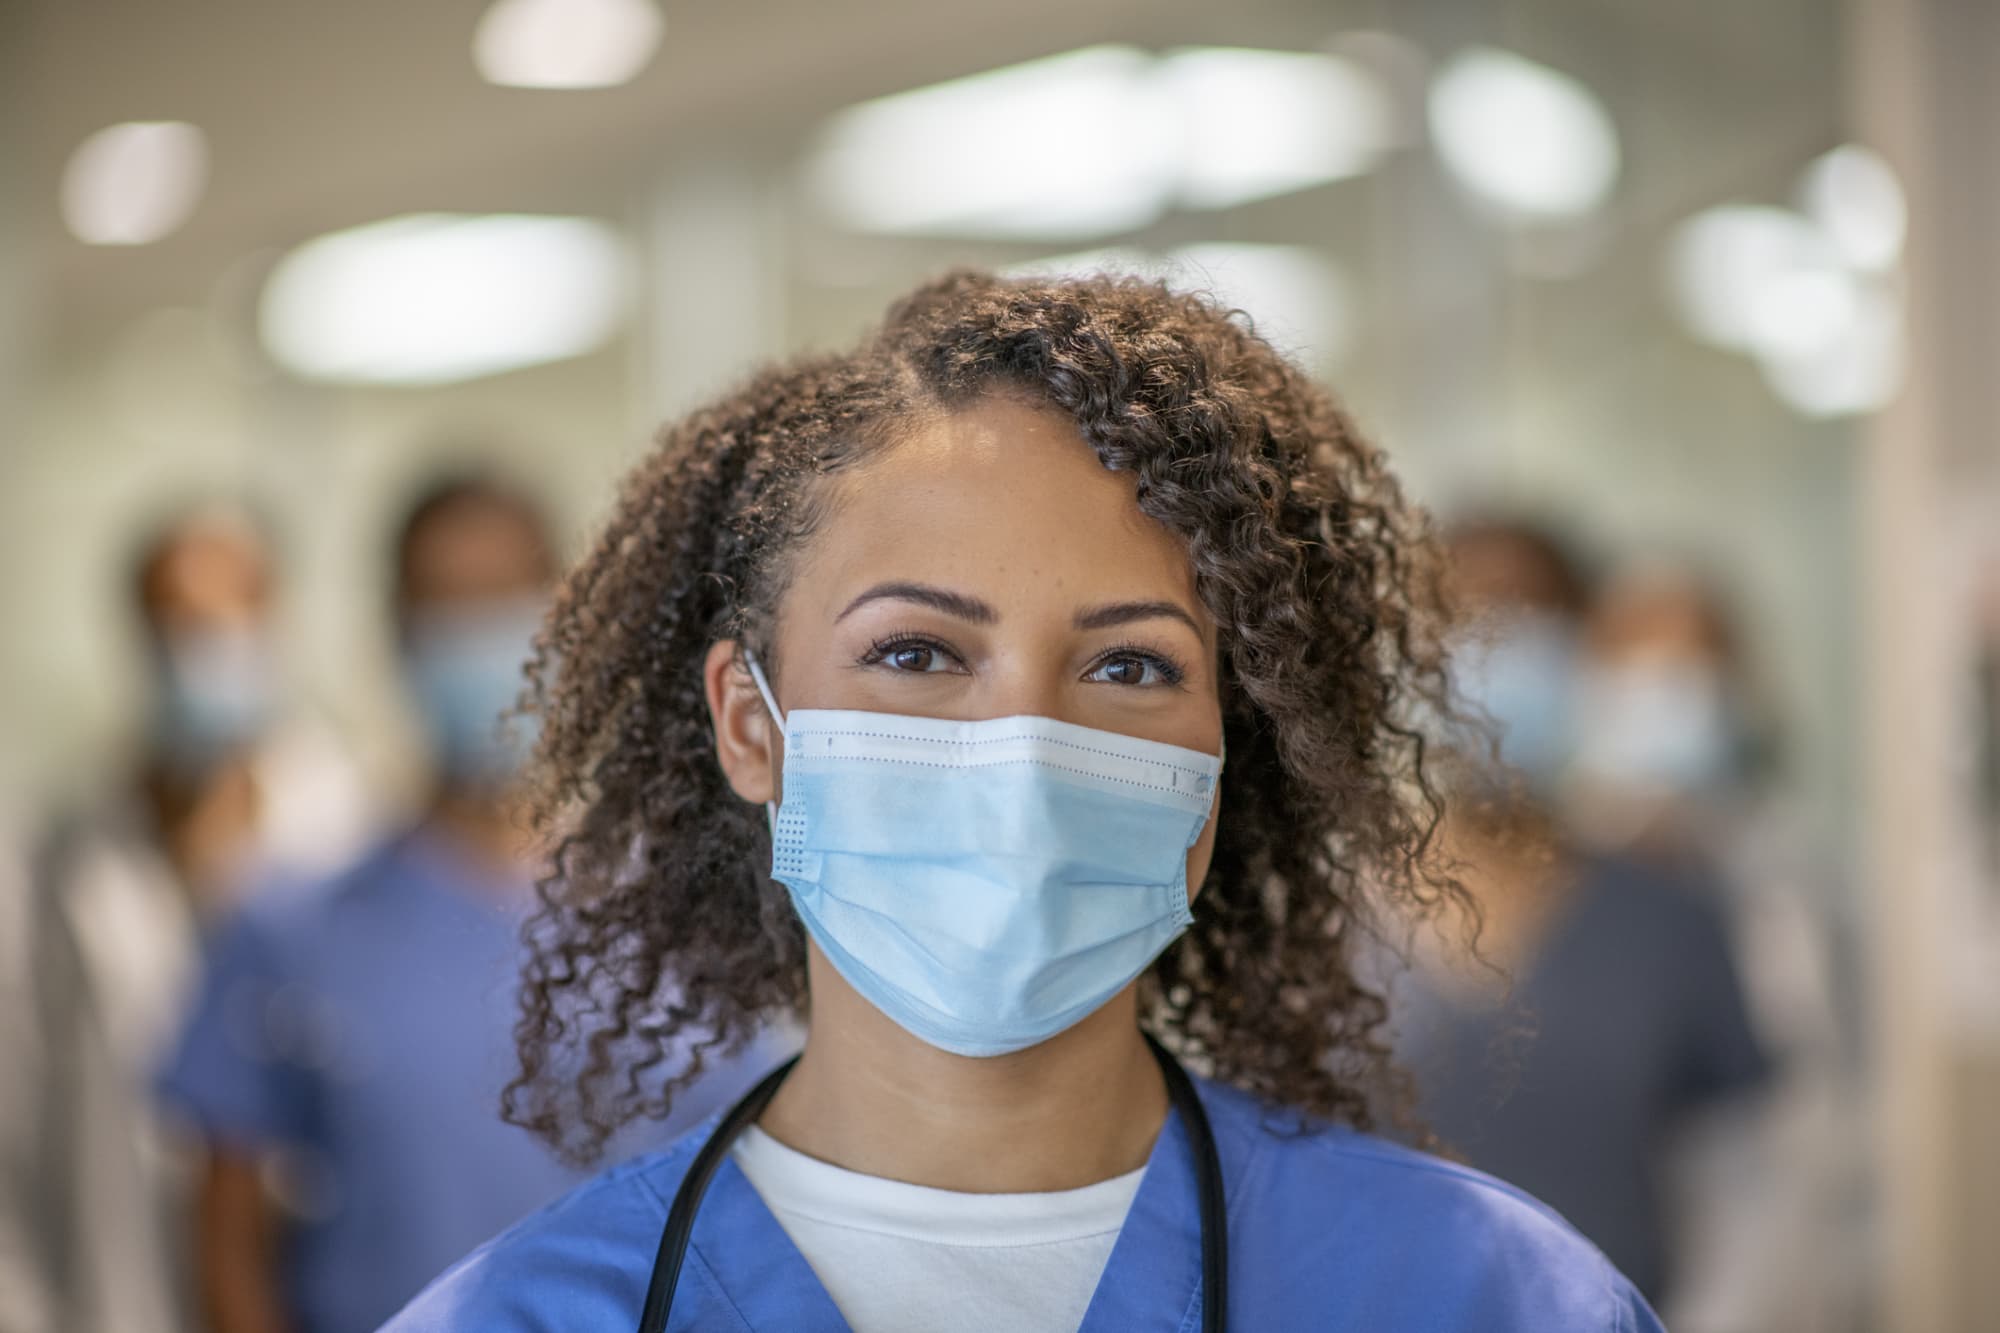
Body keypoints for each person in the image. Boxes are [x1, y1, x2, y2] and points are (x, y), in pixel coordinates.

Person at [384, 272, 1661, 1331]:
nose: (1022, 752)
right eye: (916, 652)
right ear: (748, 726)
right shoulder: (524, 1318)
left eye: (1127, 666)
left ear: (1223, 761)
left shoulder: (1483, 1299)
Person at [158, 476, 780, 1333]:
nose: (473, 645)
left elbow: (758, 1213)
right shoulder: (293, 931)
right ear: (397, 636)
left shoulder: (692, 926)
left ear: (567, 623)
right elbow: (225, 1243)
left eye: (498, 605)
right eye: (444, 612)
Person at [0, 501, 369, 1333]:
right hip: (116, 1293)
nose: (200, 655)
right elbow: (17, 1129)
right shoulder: (63, 860)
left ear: (274, 622)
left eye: (224, 622)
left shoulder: (344, 835)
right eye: (174, 626)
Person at [1387, 517, 1773, 1310]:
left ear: (1586, 655)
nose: (1492, 652)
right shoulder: (1325, 920)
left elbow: (1747, 1192)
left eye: (1528, 617)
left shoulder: (1671, 921)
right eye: (1461, 621)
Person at [1568, 562, 1862, 1333]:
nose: (1660, 697)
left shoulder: (1783, 884)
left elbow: (1803, 1125)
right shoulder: (1558, 880)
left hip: (1762, 1284)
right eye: (1633, 669)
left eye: (1687, 673)